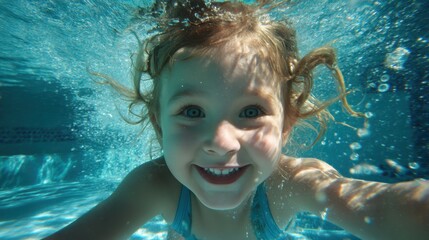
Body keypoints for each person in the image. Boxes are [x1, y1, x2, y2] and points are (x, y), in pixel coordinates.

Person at [45, 1, 429, 239]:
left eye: (251, 112)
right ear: (159, 124)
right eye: (192, 112)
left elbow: (382, 207)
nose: (222, 142)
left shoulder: (292, 183)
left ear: (288, 122)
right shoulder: (154, 185)